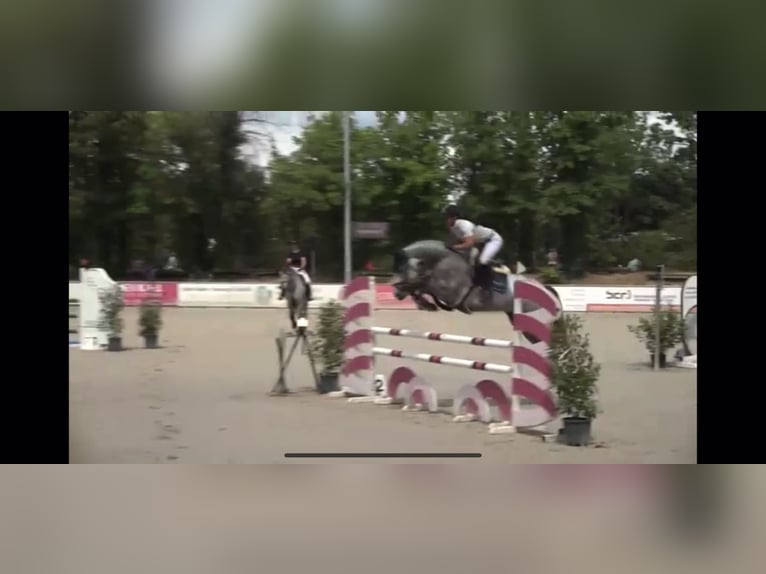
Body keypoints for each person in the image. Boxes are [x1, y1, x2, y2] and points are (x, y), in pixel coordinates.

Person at [443, 204, 504, 305]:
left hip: (492, 240)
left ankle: (488, 289)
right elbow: (455, 242)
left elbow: (469, 243)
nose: (446, 220)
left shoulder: (464, 225)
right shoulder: (453, 227)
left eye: (447, 217)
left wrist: (454, 247)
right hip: (479, 244)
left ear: (454, 217)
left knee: (482, 261)